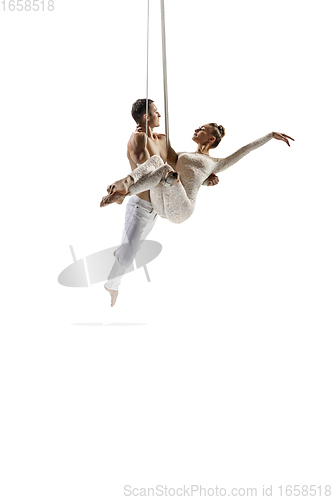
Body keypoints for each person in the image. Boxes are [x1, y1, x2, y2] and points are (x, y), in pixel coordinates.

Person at [103, 99, 219, 307]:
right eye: (156, 112)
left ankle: (122, 252)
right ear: (147, 117)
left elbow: (178, 164)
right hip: (140, 206)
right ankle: (112, 285)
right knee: (129, 257)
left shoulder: (163, 139)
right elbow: (145, 168)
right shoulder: (138, 139)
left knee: (132, 250)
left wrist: (205, 176)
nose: (160, 115)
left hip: (156, 208)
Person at [100, 124, 294, 225]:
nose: (196, 129)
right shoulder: (183, 155)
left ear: (211, 138)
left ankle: (126, 192)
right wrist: (148, 130)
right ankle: (127, 183)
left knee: (167, 169)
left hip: (182, 210)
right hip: (163, 203)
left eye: (201, 129)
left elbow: (245, 150)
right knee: (159, 162)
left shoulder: (215, 163)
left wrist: (269, 136)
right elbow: (169, 154)